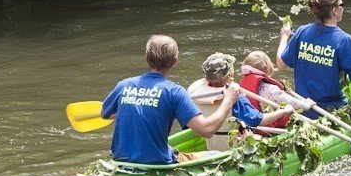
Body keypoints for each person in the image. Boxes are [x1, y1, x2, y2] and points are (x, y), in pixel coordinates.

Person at [100, 35, 241, 164]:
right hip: (158, 162)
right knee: (216, 154)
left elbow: (105, 114)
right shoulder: (174, 92)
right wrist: (228, 100)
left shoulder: (124, 85)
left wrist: (137, 104)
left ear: (147, 58)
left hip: (120, 159)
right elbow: (207, 130)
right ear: (175, 61)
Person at [188, 52, 294, 151]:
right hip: (234, 148)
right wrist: (283, 111)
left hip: (212, 145)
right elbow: (257, 120)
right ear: (230, 74)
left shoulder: (197, 93)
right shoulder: (234, 96)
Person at [239, 50, 315, 129]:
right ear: (268, 68)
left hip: (252, 126)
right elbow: (290, 101)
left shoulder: (242, 84)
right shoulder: (271, 89)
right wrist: (306, 105)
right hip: (270, 127)